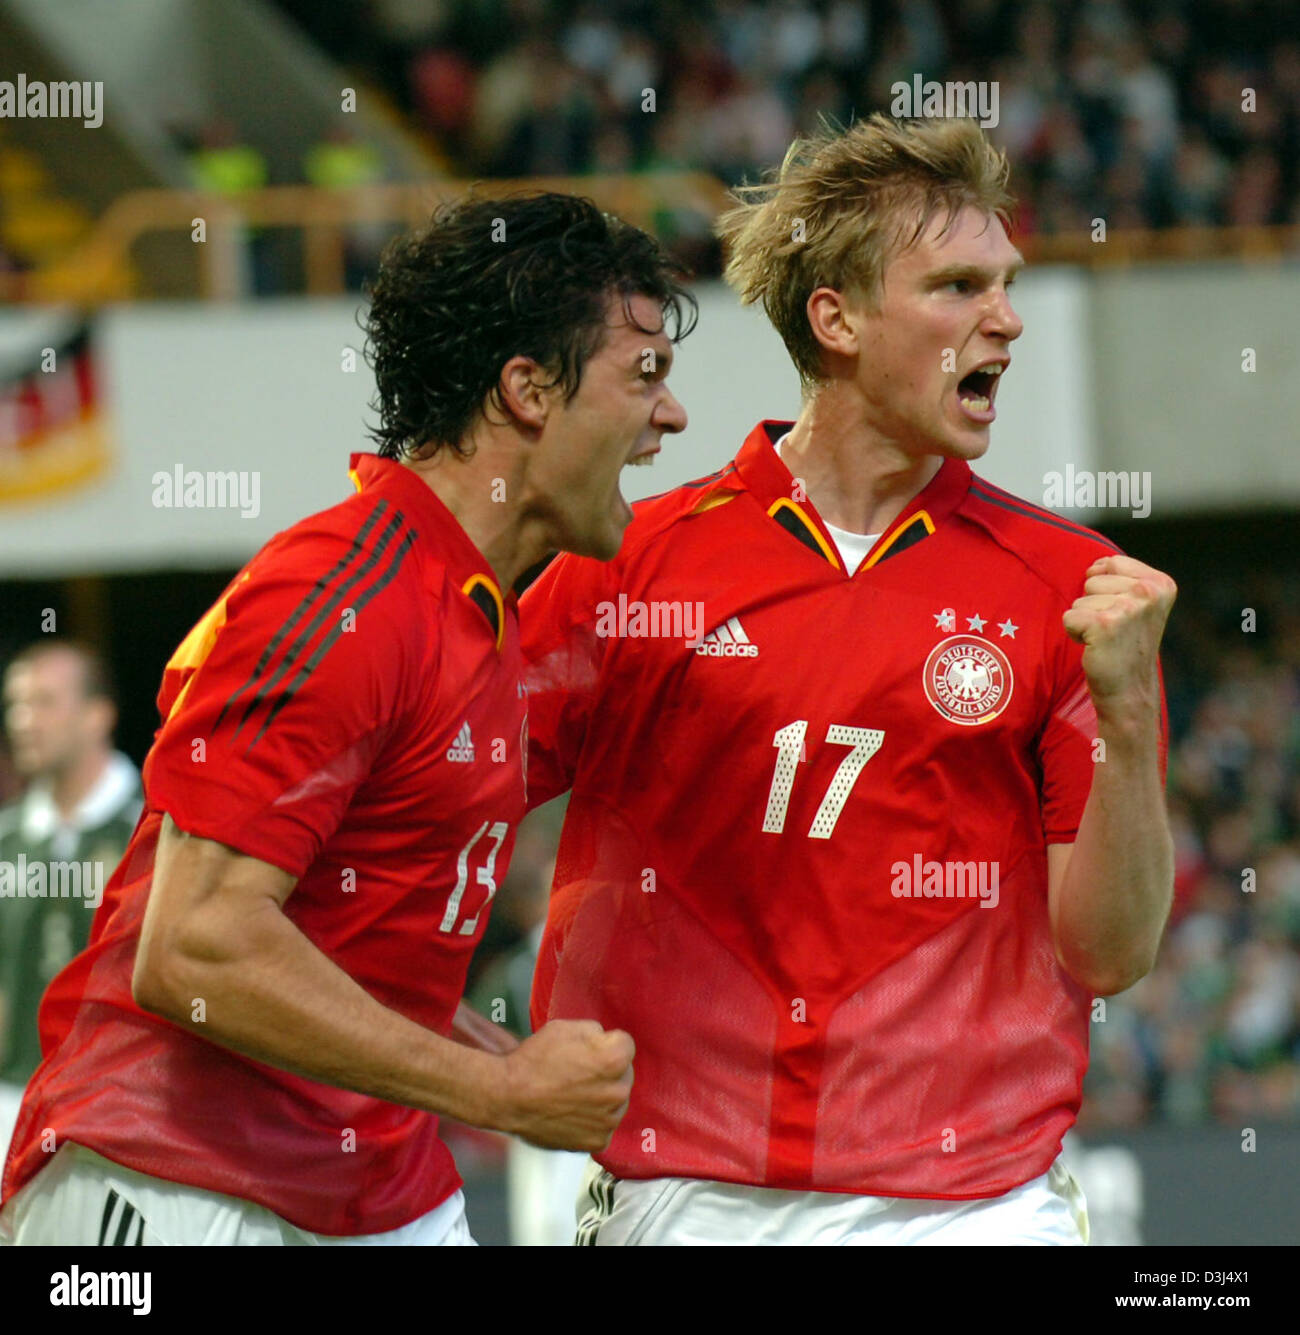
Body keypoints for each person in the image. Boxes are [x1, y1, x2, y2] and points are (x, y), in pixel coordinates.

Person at [519, 116, 1177, 1246]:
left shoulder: (1074, 592)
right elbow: (433, 807)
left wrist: (1122, 706)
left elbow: (1109, 954)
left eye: (1007, 284)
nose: (1004, 321)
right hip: (692, 1198)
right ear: (836, 319)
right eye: (959, 285)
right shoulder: (625, 567)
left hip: (977, 1208)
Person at [0, 191, 693, 1246]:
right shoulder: (341, 593)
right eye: (643, 376)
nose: (670, 415)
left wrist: (513, 1064)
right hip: (177, 1187)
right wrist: (496, 1094)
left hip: (370, 1190)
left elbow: (356, 955)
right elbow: (195, 949)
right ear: (527, 391)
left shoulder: (469, 612)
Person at [0, 642, 142, 1160]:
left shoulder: (150, 831)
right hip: (12, 1102)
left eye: (43, 702)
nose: (23, 720)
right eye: (15, 705)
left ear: (97, 714)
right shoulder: (7, 839)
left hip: (119, 1111)